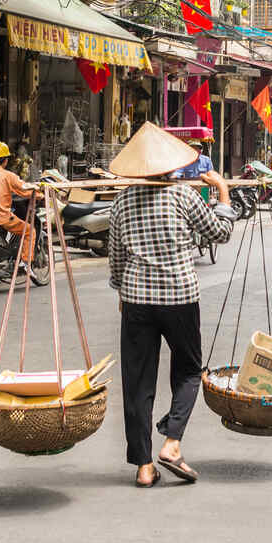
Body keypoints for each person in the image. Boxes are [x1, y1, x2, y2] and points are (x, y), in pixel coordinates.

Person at [107, 123, 235, 488]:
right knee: (190, 372)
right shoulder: (183, 196)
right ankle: (173, 442)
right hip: (179, 296)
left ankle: (144, 467)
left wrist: (120, 290)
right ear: (170, 167)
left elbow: (115, 258)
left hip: (136, 300)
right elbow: (221, 233)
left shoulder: (122, 202)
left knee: (137, 382)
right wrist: (223, 189)